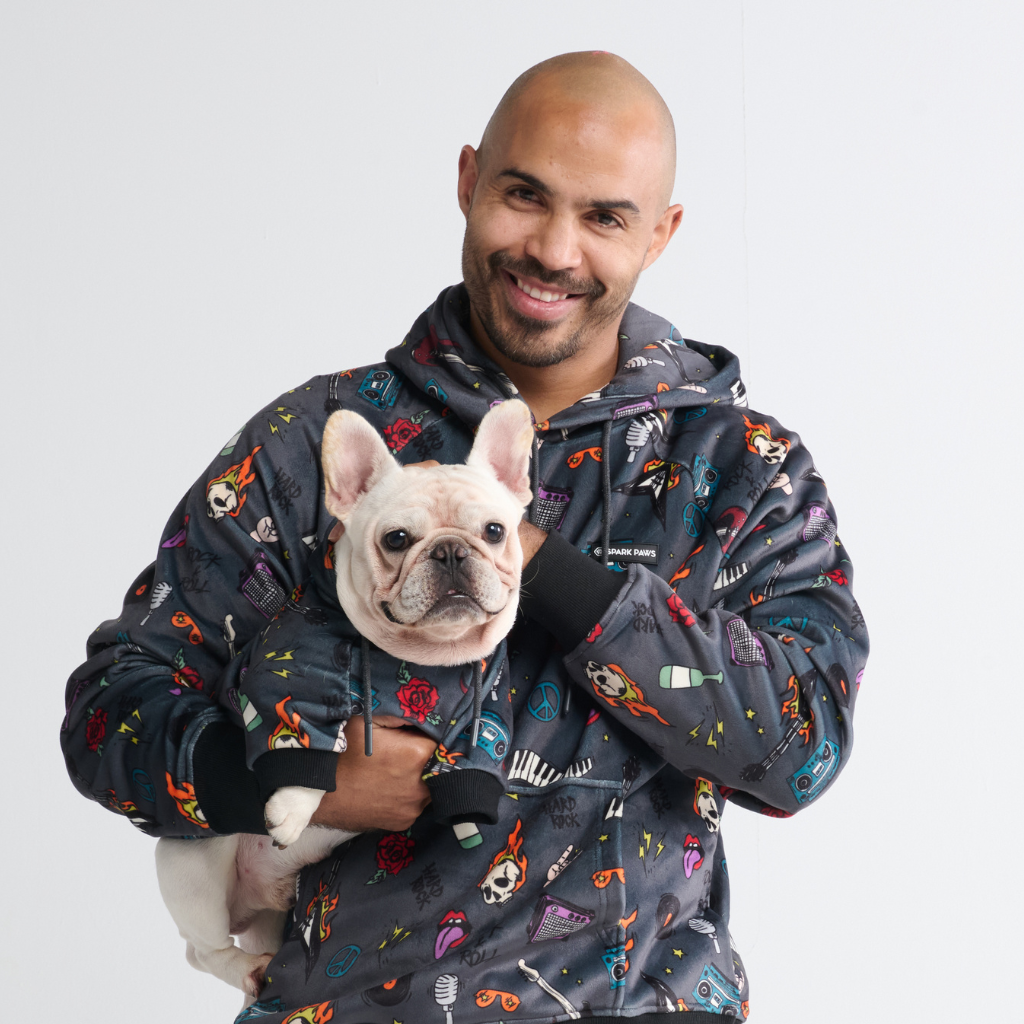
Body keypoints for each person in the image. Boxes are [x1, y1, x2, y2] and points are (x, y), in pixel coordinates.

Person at [61, 51, 867, 1021]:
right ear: (467, 181)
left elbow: (799, 748)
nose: (555, 250)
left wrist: (545, 567)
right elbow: (109, 715)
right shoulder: (316, 443)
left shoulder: (741, 470)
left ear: (660, 233)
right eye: (524, 196)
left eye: (605, 217)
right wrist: (300, 781)